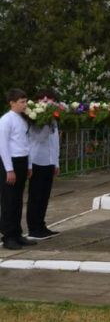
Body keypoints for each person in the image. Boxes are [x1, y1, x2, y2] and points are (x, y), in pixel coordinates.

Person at [1, 89, 35, 250]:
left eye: (25, 101)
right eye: (21, 102)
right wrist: (9, 169)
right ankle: (8, 236)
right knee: (9, 200)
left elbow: (26, 144)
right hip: (10, 162)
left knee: (18, 200)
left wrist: (28, 165)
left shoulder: (22, 119)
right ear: (12, 103)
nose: (25, 104)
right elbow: (3, 146)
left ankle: (17, 233)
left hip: (22, 162)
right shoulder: (5, 120)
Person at [26, 88, 60, 241]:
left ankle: (41, 225)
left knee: (45, 195)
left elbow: (55, 143)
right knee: (36, 196)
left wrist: (56, 162)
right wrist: (46, 123)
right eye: (43, 99)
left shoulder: (54, 118)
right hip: (37, 161)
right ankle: (33, 228)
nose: (46, 102)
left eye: (50, 99)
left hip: (49, 162)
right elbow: (38, 139)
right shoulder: (34, 119)